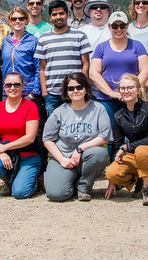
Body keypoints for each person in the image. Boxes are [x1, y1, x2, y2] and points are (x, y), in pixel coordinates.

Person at [89, 11, 148, 158]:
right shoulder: (101, 48)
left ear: (127, 26)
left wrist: (131, 90)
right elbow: (94, 73)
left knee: (135, 133)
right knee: (112, 136)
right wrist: (112, 93)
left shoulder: (137, 46)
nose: (118, 29)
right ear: (109, 27)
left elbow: (145, 69)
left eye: (122, 25)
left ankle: (136, 168)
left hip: (133, 99)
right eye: (115, 26)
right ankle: (115, 169)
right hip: (108, 99)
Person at [105, 74, 148, 206]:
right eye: (123, 88)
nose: (126, 91)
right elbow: (116, 145)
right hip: (137, 157)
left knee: (142, 150)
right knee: (111, 173)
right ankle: (140, 180)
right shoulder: (119, 116)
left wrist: (127, 148)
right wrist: (111, 181)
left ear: (138, 90)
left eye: (130, 87)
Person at [42, 73, 110, 202]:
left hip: (86, 156)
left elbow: (104, 137)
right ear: (66, 92)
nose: (75, 91)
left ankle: (83, 187)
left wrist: (80, 148)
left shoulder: (98, 109)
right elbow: (47, 139)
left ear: (86, 89)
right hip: (63, 158)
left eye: (79, 87)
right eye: (71, 88)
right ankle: (70, 180)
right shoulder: (59, 112)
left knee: (100, 154)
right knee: (56, 194)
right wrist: (62, 159)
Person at [0, 72, 41, 199]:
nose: (12, 88)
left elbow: (30, 137)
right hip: (6, 155)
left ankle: (34, 180)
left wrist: (5, 147)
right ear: (4, 87)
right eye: (8, 85)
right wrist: (1, 151)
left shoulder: (30, 106)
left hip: (27, 155)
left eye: (16, 85)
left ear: (22, 86)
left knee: (20, 193)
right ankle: (8, 180)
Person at [35, 0, 92, 117]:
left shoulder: (79, 35)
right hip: (52, 94)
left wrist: (83, 87)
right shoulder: (43, 38)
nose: (58, 17)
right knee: (54, 129)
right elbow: (42, 67)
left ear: (67, 15)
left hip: (75, 92)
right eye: (54, 14)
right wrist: (45, 92)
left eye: (61, 13)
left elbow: (86, 64)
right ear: (50, 17)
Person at [1, 7, 40, 104]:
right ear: (10, 21)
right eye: (14, 19)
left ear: (26, 21)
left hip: (27, 91)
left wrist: (34, 93)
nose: (17, 21)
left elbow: (39, 67)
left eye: (21, 18)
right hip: (8, 91)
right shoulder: (6, 41)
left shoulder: (33, 41)